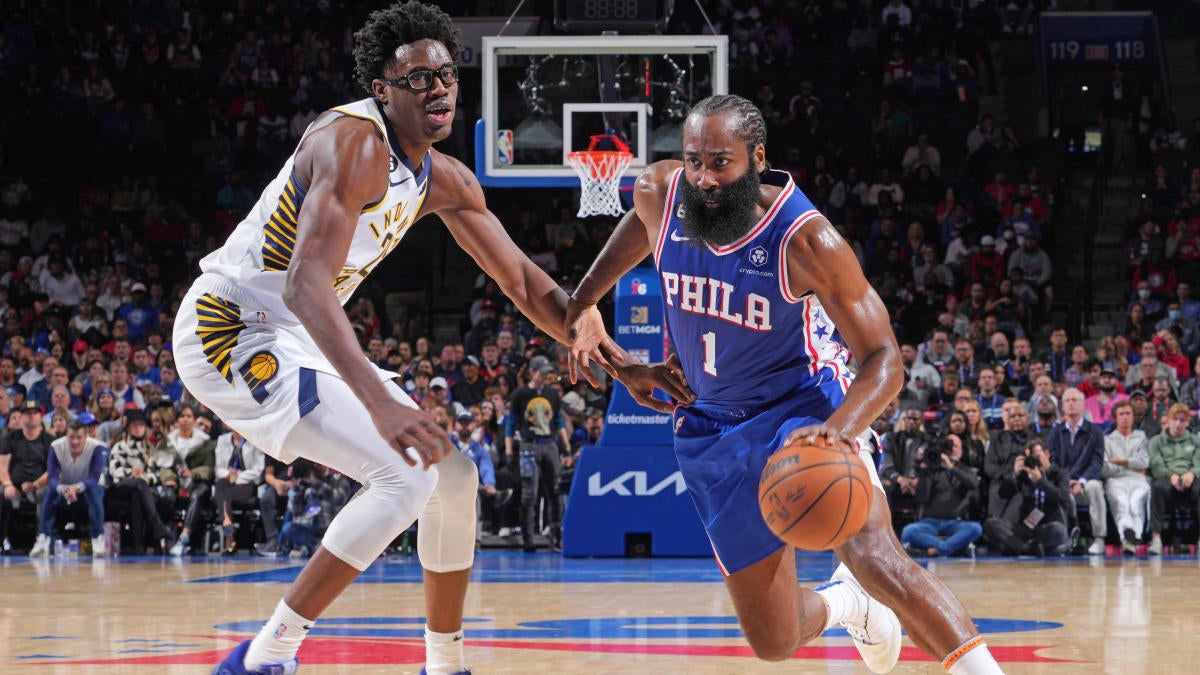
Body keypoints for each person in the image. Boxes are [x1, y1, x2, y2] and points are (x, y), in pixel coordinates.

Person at [173, 4, 611, 673]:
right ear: (383, 89)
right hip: (230, 328)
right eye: (418, 78)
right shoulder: (353, 142)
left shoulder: (443, 178)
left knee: (455, 478)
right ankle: (264, 655)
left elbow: (525, 282)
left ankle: (444, 660)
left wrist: (610, 350)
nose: (438, 87)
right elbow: (303, 284)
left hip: (297, 334)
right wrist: (381, 403)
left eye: (446, 74)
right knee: (403, 472)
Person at [565, 95, 1002, 673]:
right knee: (773, 639)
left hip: (800, 406)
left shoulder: (804, 239)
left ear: (757, 158)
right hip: (708, 426)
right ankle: (849, 606)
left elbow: (884, 360)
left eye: (721, 162)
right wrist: (584, 301)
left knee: (875, 553)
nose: (704, 178)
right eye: (694, 160)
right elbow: (640, 229)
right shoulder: (659, 193)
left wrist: (835, 433)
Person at [504, 355, 570, 552]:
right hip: (528, 445)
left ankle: (556, 536)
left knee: (555, 491)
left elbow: (558, 421)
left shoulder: (551, 393)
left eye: (546, 372)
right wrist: (509, 450)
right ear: (532, 372)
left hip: (549, 444)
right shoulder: (520, 394)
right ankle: (528, 539)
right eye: (541, 372)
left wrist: (566, 447)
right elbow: (511, 423)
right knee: (528, 494)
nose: (544, 376)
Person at [28, 419, 107, 557]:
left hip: (89, 489)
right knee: (50, 492)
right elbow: (52, 477)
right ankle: (43, 539)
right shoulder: (56, 446)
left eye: (79, 437)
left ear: (86, 436)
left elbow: (94, 478)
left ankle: (97, 538)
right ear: (66, 436)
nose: (75, 442)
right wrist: (63, 489)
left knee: (94, 491)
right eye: (71, 437)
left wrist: (76, 488)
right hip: (65, 490)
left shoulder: (98, 447)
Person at [982, 437, 1072, 556]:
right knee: (991, 523)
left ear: (1047, 454)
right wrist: (1014, 475)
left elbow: (1064, 498)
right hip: (1027, 528)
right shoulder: (1025, 475)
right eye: (1031, 458)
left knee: (1059, 530)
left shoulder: (1060, 474)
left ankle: (1019, 546)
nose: (1035, 462)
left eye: (1037, 456)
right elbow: (1003, 494)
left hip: (1049, 527)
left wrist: (1041, 482)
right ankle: (1027, 548)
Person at [1046, 388, 1108, 554]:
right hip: (1063, 483)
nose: (1071, 404)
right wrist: (1066, 480)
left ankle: (1099, 538)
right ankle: (1067, 539)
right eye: (1067, 401)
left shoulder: (1095, 431)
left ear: (1083, 405)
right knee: (1060, 493)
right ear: (1063, 407)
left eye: (1075, 400)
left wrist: (1081, 481)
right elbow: (1051, 461)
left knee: (1095, 487)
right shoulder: (1055, 432)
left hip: (1085, 483)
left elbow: (1096, 462)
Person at [900, 435, 983, 558]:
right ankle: (953, 548)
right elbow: (922, 498)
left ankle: (934, 551)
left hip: (956, 522)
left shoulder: (966, 471)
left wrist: (951, 467)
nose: (952, 449)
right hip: (929, 522)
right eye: (948, 445)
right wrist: (925, 471)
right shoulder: (931, 470)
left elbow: (973, 484)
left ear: (961, 451)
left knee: (976, 529)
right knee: (908, 532)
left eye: (955, 446)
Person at [1147, 403, 1200, 555]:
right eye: (1175, 419)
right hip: (1167, 478)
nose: (1178, 423)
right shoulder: (1156, 441)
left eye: (1182, 420)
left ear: (1188, 422)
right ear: (1168, 420)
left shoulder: (1195, 441)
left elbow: (1199, 462)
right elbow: (1156, 466)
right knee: (1156, 487)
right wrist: (1172, 476)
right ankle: (1156, 538)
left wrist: (1192, 473)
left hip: (1191, 478)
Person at [0, 400, 53, 551]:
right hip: (13, 485)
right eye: (27, 414)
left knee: (48, 493)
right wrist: (8, 484)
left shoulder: (49, 440)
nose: (31, 416)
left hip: (39, 485)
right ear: (21, 417)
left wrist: (35, 484)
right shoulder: (10, 438)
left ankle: (43, 539)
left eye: (35, 413)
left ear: (40, 417)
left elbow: (52, 470)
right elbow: (2, 465)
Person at [1103, 401, 1150, 555]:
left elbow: (1144, 462)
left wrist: (1118, 461)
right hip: (1116, 480)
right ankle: (1128, 538)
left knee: (1136, 504)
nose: (1125, 417)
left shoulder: (1142, 437)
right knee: (1122, 505)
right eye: (1121, 414)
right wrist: (1130, 463)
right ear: (1115, 418)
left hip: (1138, 479)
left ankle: (1132, 539)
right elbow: (1104, 468)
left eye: (1128, 413)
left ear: (1133, 417)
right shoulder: (1107, 440)